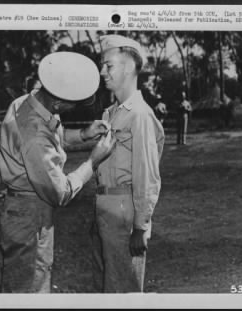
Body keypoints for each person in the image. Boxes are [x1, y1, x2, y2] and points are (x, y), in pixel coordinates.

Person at [0, 52, 116, 293]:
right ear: (59, 103)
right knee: (30, 288)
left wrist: (83, 134)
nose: (73, 109)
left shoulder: (28, 103)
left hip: (24, 210)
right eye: (73, 105)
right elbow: (60, 192)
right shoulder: (34, 135)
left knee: (25, 282)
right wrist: (92, 162)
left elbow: (53, 138)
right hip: (30, 215)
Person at [91, 34, 165, 293]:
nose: (102, 72)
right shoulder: (111, 114)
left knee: (126, 290)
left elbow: (147, 175)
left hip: (125, 210)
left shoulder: (140, 115)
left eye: (108, 65)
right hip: (107, 206)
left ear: (129, 67)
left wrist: (141, 226)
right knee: (110, 283)